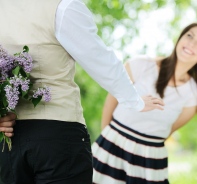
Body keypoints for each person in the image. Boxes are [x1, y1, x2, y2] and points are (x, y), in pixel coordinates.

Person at [0, 0, 164, 183]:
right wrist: (134, 100)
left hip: (8, 141)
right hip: (57, 135)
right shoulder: (62, 6)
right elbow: (99, 58)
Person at [92, 23, 197, 184]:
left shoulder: (193, 94)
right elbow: (110, 103)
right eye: (190, 35)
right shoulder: (140, 64)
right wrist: (108, 140)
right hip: (111, 147)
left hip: (150, 161)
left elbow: (168, 130)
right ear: (181, 36)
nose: (192, 43)